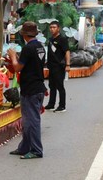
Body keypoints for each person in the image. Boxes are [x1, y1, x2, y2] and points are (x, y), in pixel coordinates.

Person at [7, 21, 47, 159]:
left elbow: (18, 68)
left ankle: (36, 150)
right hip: (37, 86)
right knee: (27, 121)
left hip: (31, 89)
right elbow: (30, 64)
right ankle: (24, 147)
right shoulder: (40, 47)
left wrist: (13, 57)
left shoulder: (28, 48)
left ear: (24, 35)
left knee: (32, 121)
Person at [44, 20, 70, 113]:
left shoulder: (62, 39)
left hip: (59, 66)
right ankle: (51, 104)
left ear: (58, 28)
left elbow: (67, 51)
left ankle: (62, 106)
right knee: (52, 86)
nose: (52, 29)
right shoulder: (50, 39)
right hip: (51, 66)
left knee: (60, 86)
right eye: (50, 27)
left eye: (54, 27)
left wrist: (68, 65)